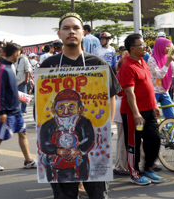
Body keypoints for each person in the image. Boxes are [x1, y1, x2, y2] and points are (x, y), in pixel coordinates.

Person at [40, 12, 121, 199]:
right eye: (66, 28)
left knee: (98, 195)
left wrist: (106, 127)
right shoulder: (48, 66)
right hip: (58, 163)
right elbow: (41, 104)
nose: (71, 32)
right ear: (59, 34)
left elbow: (110, 96)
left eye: (76, 28)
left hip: (89, 158)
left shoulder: (98, 64)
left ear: (83, 33)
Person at [119, 33, 164, 186]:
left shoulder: (143, 62)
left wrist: (154, 106)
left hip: (149, 110)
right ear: (132, 48)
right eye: (141, 44)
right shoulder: (127, 66)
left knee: (155, 139)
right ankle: (135, 174)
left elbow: (148, 86)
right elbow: (129, 92)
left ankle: (148, 168)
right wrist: (136, 113)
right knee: (134, 144)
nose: (145, 46)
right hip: (134, 113)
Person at [0, 43, 37, 171]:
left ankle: (28, 160)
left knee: (23, 133)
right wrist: (2, 112)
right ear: (15, 53)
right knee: (0, 136)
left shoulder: (10, 66)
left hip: (16, 109)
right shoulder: (3, 69)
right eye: (19, 53)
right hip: (7, 111)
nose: (20, 55)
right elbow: (0, 90)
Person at [14, 50, 31, 114]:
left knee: (23, 97)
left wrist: (26, 79)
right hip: (14, 80)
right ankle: (17, 110)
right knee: (16, 97)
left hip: (22, 80)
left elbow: (27, 70)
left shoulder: (24, 58)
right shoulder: (12, 58)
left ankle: (23, 110)